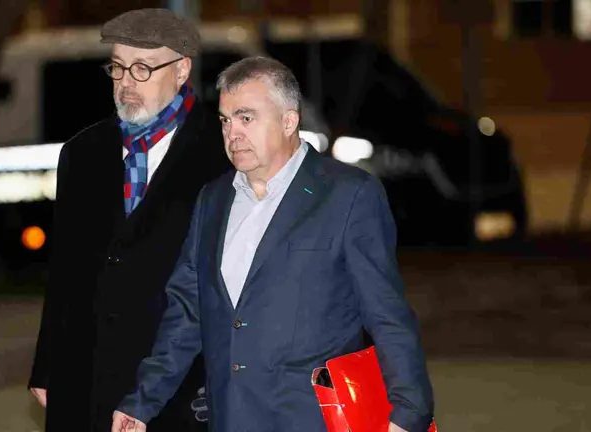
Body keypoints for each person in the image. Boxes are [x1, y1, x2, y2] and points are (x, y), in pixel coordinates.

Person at [111, 56, 435, 432]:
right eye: (225, 120)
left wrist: (408, 412)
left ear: (288, 120)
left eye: (246, 118)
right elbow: (187, 313)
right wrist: (142, 402)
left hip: (316, 419)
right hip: (229, 417)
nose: (233, 133)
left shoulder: (348, 195)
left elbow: (387, 314)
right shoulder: (212, 201)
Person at [28, 8, 232, 431]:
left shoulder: (223, 153)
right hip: (87, 375)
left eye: (142, 68)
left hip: (182, 384)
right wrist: (47, 368)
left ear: (181, 70)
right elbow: (65, 269)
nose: (126, 83)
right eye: (118, 68)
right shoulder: (82, 152)